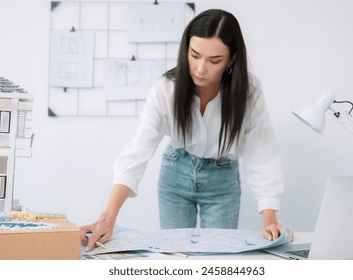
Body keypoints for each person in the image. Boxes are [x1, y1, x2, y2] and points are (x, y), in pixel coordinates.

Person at [80, 9, 286, 251]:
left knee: (219, 256)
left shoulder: (248, 92)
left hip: (223, 180)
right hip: (175, 173)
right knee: (175, 254)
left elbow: (262, 152)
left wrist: (270, 218)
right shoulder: (165, 89)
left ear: (231, 60)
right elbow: (138, 150)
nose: (200, 69)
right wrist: (108, 217)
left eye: (214, 60)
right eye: (194, 55)